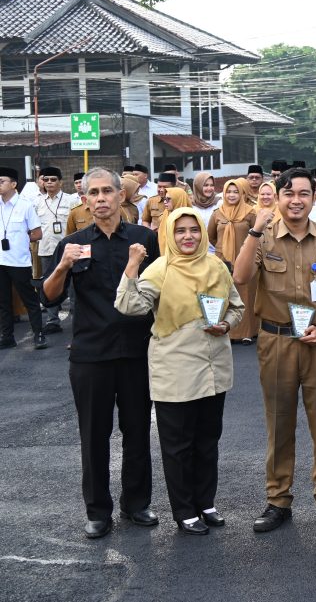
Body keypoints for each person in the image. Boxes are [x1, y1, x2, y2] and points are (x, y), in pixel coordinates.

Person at [232, 168, 316, 533]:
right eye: (289, 193)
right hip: (276, 341)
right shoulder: (263, 238)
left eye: (304, 193)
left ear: (314, 198)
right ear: (279, 197)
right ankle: (277, 500)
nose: (296, 200)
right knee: (279, 421)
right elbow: (240, 277)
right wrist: (256, 229)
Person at [42, 168, 161, 539]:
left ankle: (137, 503)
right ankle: (97, 511)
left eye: (107, 190)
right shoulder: (73, 244)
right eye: (93, 192)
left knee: (138, 432)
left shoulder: (143, 239)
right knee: (94, 436)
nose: (100, 198)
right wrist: (63, 265)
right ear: (85, 200)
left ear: (120, 196)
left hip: (136, 352)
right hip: (90, 354)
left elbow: (163, 289)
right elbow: (49, 296)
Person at [115, 208, 243, 535]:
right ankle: (184, 511)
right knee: (178, 444)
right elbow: (130, 306)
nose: (188, 237)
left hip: (214, 366)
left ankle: (206, 503)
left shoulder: (216, 265)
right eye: (181, 231)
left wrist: (227, 323)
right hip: (175, 368)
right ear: (170, 235)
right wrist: (132, 266)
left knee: (207, 439)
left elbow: (237, 306)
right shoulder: (160, 269)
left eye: (194, 230)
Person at [0, 167, 48, 350]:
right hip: (0, 261)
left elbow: (37, 233)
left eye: (2, 181)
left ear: (13, 184)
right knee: (3, 301)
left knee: (30, 300)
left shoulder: (25, 205)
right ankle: (7, 336)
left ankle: (39, 334)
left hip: (18, 261)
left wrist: (19, 238)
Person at [208, 179, 260, 343]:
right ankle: (226, 330)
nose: (231, 195)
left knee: (246, 295)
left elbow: (258, 235)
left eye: (235, 191)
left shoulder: (250, 213)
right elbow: (211, 236)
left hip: (245, 260)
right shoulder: (217, 213)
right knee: (224, 294)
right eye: (228, 191)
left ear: (242, 193)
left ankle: (247, 332)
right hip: (222, 260)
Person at [32, 166, 80, 334]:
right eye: (46, 180)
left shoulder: (71, 201)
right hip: (46, 249)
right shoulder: (37, 202)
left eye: (53, 180)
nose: (49, 183)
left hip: (67, 249)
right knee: (48, 284)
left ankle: (77, 321)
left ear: (61, 182)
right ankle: (52, 320)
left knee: (74, 285)